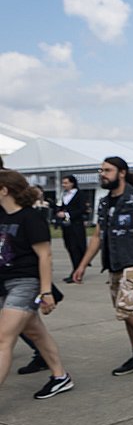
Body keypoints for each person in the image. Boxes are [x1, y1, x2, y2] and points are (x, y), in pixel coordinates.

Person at [73, 157, 133, 376]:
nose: (102, 174)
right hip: (114, 263)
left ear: (122, 172)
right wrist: (82, 265)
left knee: (126, 308)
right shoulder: (105, 202)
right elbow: (97, 236)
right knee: (124, 312)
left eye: (107, 170)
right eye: (101, 170)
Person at [0, 169, 74, 399]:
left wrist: (45, 291)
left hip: (25, 282)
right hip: (4, 282)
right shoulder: (3, 216)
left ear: (4, 190)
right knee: (35, 331)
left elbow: (45, 256)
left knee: (3, 338)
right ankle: (60, 377)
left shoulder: (30, 218)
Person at [55, 174, 88, 283]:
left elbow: (82, 209)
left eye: (66, 183)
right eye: (63, 183)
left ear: (72, 183)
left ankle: (77, 272)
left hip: (76, 225)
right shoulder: (64, 195)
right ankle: (75, 269)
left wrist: (67, 214)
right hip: (66, 226)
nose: (63, 185)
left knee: (76, 248)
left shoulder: (79, 194)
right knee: (69, 247)